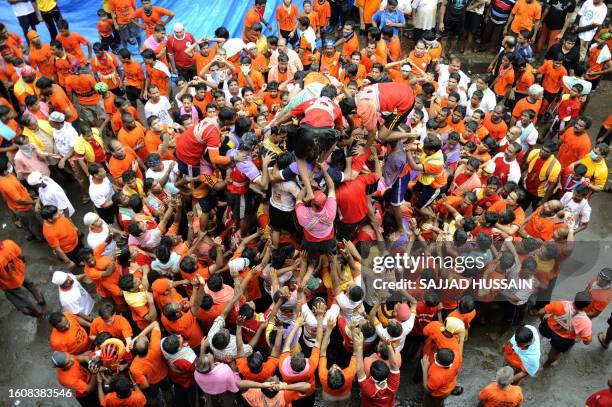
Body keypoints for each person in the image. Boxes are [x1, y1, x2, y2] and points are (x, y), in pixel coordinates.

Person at [0, 239, 45, 317]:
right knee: (30, 285)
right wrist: (23, 262)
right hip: (19, 271)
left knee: (23, 298)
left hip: (9, 283)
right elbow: (21, 256)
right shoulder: (9, 243)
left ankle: (36, 312)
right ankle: (39, 299)